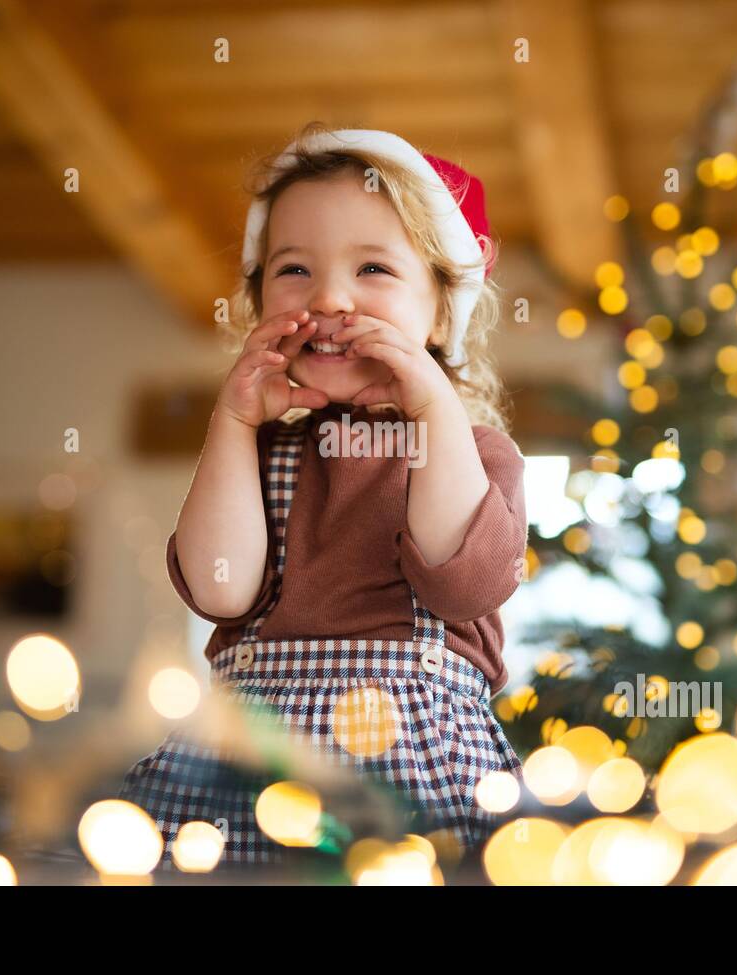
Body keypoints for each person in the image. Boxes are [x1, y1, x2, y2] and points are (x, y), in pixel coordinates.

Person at [120, 123, 528, 871]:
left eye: (373, 268)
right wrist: (234, 421)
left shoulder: (472, 453)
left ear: (440, 313)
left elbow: (462, 579)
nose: (332, 297)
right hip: (246, 755)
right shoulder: (257, 451)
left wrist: (433, 407)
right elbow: (218, 587)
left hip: (411, 757)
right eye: (294, 271)